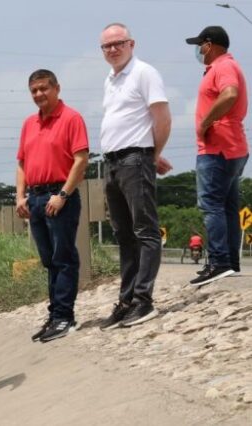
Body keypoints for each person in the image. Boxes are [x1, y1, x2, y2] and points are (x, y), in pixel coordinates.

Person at [98, 23, 172, 330]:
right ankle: (126, 300)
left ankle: (144, 300)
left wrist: (151, 155)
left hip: (134, 158)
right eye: (107, 46)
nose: (113, 49)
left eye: (119, 43)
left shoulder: (144, 73)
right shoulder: (110, 80)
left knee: (145, 230)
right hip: (112, 163)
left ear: (132, 43)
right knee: (123, 235)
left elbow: (162, 117)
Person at [15, 69, 89, 343]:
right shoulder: (29, 124)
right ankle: (54, 314)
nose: (39, 94)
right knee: (49, 260)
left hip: (59, 196)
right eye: (34, 90)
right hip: (34, 198)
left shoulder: (71, 118)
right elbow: (22, 162)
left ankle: (65, 317)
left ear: (57, 88)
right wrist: (19, 196)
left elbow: (81, 159)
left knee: (64, 257)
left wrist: (63, 195)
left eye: (44, 88)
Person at [185, 26, 249, 286]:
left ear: (209, 44)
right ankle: (229, 262)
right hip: (233, 147)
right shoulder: (225, 66)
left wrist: (206, 121)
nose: (198, 50)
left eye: (200, 45)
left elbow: (230, 93)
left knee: (211, 204)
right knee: (228, 207)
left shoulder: (223, 66)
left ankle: (219, 261)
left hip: (217, 148)